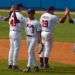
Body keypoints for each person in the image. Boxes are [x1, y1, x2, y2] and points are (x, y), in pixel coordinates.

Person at [8, 4, 26, 70]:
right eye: (22, 8)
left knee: (11, 48)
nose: (22, 9)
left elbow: (9, 22)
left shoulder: (12, 14)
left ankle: (10, 64)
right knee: (16, 49)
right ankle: (15, 65)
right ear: (19, 8)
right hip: (16, 33)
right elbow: (25, 25)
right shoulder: (20, 15)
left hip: (11, 32)